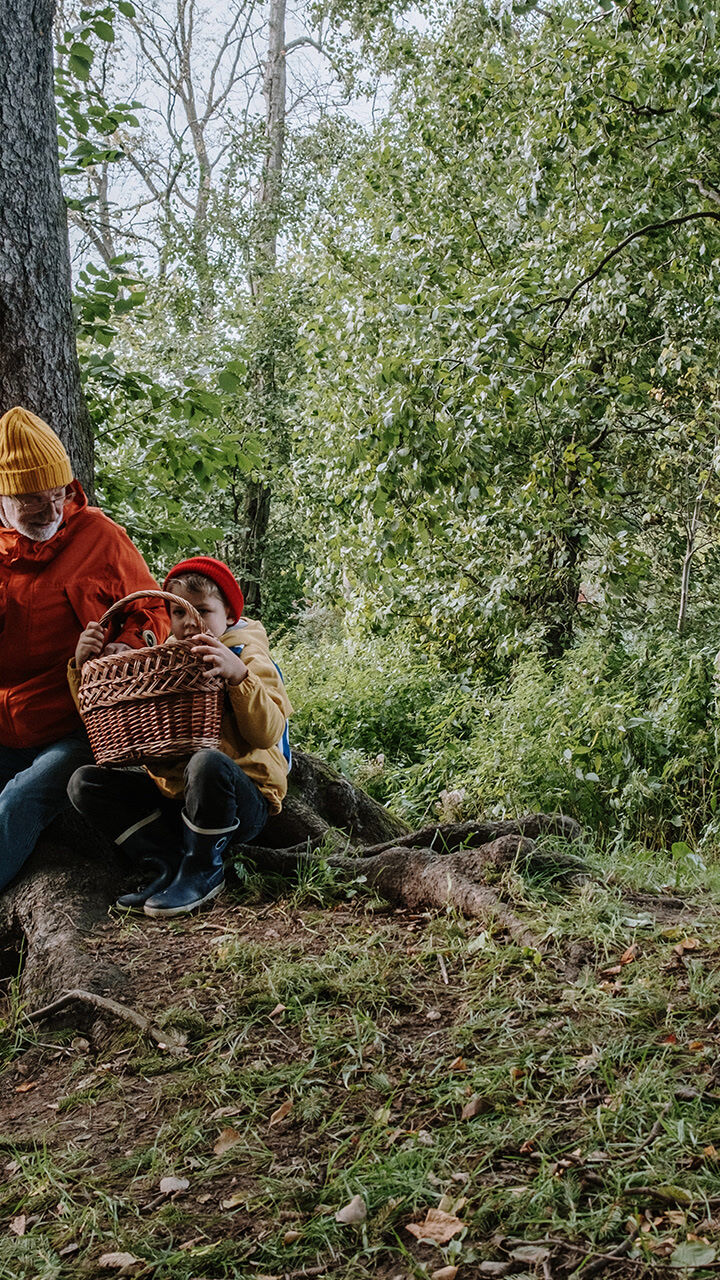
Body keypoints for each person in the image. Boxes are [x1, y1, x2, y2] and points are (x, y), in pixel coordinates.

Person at [0, 405, 169, 893]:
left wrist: (124, 645)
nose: (52, 512)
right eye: (34, 501)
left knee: (17, 802)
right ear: (3, 496)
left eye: (59, 496)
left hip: (76, 726)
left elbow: (154, 610)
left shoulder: (100, 536)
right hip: (3, 724)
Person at [68, 555, 292, 918]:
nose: (190, 623)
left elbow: (267, 732)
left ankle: (204, 869)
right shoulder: (165, 660)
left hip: (239, 800)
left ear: (230, 616)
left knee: (206, 761)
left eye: (203, 610)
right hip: (180, 802)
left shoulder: (247, 655)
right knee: (85, 783)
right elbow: (110, 721)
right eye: (179, 613)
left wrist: (239, 677)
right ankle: (170, 862)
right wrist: (84, 668)